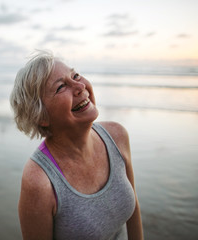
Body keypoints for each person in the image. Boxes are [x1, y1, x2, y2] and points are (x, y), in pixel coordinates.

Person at [10, 50, 143, 240]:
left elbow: (134, 208)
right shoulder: (39, 180)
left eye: (76, 75)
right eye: (61, 86)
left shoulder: (117, 135)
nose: (80, 86)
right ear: (41, 116)